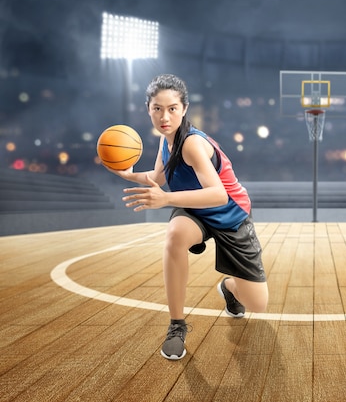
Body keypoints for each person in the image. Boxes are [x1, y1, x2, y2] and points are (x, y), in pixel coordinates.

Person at [107, 74, 268, 360]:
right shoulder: (164, 140)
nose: (164, 116)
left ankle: (229, 287)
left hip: (231, 214)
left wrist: (166, 198)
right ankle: (176, 326)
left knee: (258, 304)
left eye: (171, 108)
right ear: (149, 109)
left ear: (184, 109)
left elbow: (218, 195)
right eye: (157, 108)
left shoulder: (192, 144)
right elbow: (157, 176)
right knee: (175, 236)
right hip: (195, 210)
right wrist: (127, 172)